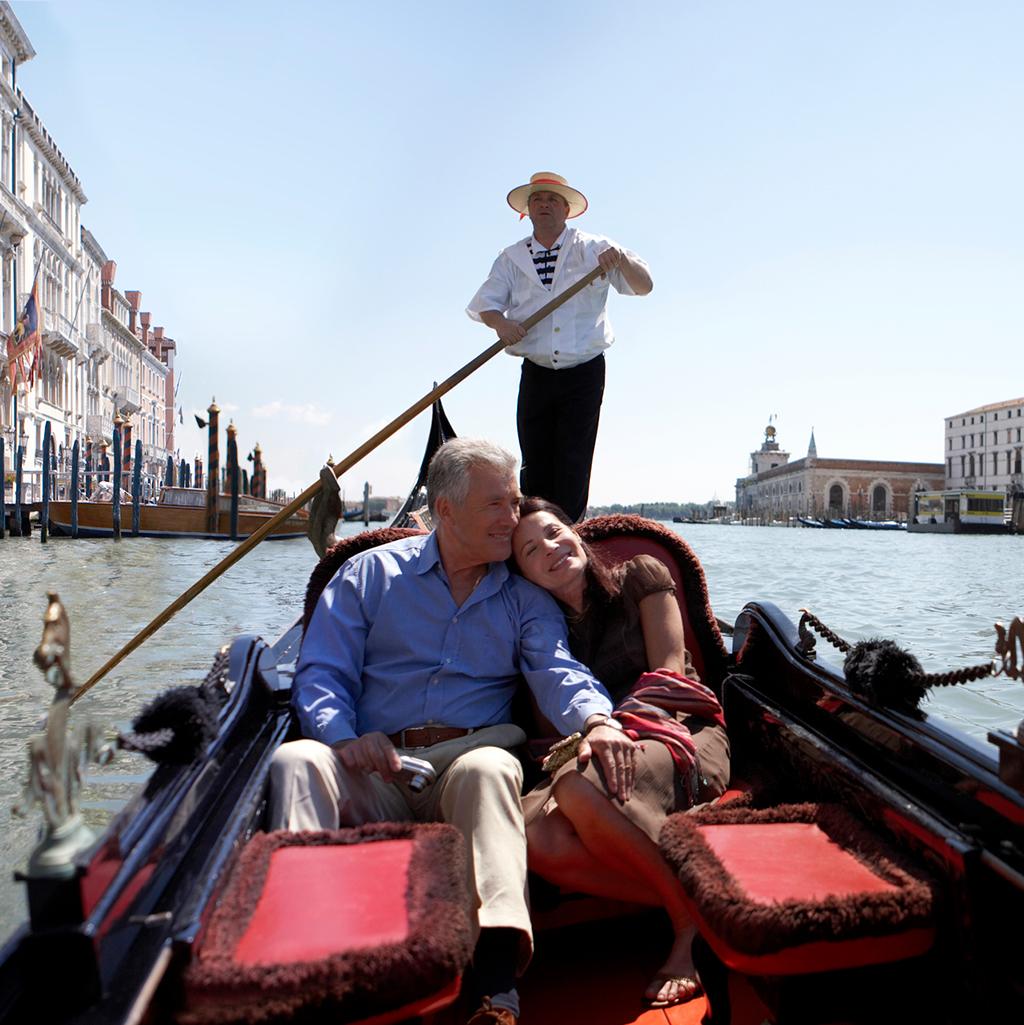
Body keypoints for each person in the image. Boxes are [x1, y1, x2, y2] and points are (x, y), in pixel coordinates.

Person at [268, 439, 636, 1025]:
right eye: (497, 505)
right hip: (374, 767)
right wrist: (342, 737)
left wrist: (597, 719)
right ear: (445, 509)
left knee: (489, 769)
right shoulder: (370, 575)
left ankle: (497, 986)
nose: (511, 519)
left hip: (467, 764)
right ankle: (299, 961)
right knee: (297, 763)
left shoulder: (522, 598)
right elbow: (322, 671)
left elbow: (556, 670)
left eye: (514, 503)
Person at [511, 497, 730, 1008]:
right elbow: (551, 719)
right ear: (521, 574)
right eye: (528, 550)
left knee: (575, 785)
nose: (549, 548)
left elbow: (671, 672)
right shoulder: (540, 630)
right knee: (534, 836)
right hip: (598, 745)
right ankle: (704, 906)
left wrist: (612, 733)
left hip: (679, 727)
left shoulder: (640, 575)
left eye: (553, 532)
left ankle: (687, 931)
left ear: (575, 532)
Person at [467, 172, 652, 523]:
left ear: (567, 210)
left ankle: (567, 533)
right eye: (538, 199)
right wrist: (501, 324)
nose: (544, 205)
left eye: (553, 200)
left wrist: (622, 261)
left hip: (584, 370)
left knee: (573, 460)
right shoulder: (510, 258)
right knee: (534, 461)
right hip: (536, 372)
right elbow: (486, 305)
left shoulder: (595, 248)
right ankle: (533, 534)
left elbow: (643, 286)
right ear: (528, 210)